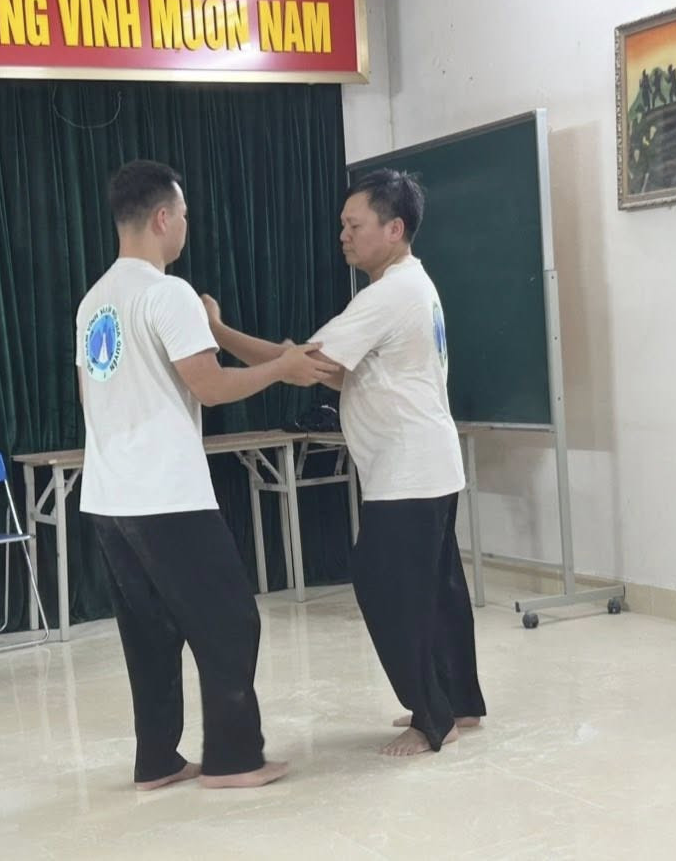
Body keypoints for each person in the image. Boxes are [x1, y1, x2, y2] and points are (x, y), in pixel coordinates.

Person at [203, 169, 486, 758]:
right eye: (342, 225)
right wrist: (283, 358)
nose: (344, 236)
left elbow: (305, 364)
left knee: (389, 591)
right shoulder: (414, 283)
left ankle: (431, 719)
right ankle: (456, 702)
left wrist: (218, 331)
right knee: (437, 592)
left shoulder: (387, 295)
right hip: (427, 465)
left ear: (394, 228)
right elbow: (328, 368)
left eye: (354, 225)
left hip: (407, 472)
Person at [75, 159, 335, 790]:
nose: (187, 226)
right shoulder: (168, 294)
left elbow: (97, 396)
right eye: (185, 215)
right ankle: (234, 760)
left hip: (109, 495)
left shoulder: (94, 301)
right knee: (229, 623)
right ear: (163, 218)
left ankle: (157, 761)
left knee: (150, 634)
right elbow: (211, 387)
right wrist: (283, 367)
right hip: (167, 495)